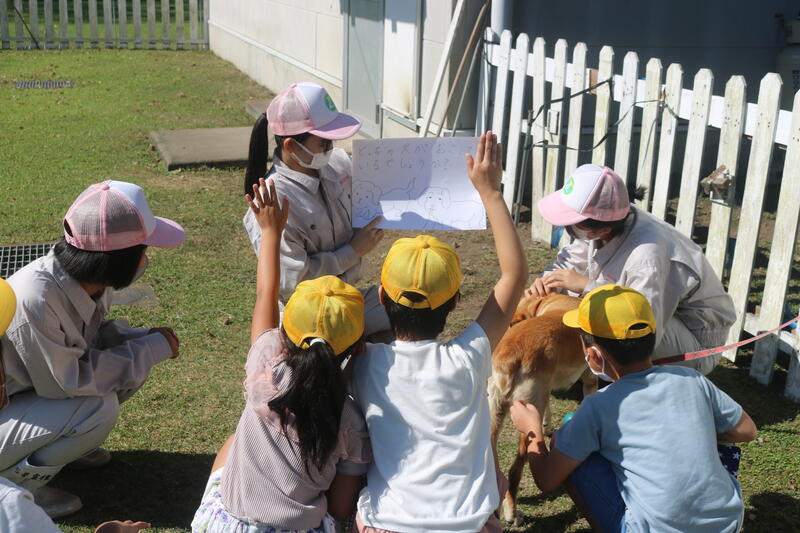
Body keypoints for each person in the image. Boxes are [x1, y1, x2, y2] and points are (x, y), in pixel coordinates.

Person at [352, 132, 528, 532]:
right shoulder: (470, 356)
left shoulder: (364, 363)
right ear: (454, 303)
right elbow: (515, 276)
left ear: (380, 296)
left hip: (389, 524)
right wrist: (491, 193)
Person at [191, 178, 371, 533]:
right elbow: (339, 507)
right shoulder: (350, 419)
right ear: (357, 347)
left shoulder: (267, 367)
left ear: (284, 335)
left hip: (226, 526)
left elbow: (266, 295)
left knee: (233, 442)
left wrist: (271, 231)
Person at [0, 180, 185, 517]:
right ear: (117, 259)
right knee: (96, 407)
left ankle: (63, 448)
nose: (146, 258)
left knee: (131, 362)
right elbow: (66, 384)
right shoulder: (35, 298)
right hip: (17, 401)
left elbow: (89, 339)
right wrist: (147, 349)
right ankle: (15, 492)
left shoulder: (92, 281)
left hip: (22, 396)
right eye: (143, 250)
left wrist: (140, 339)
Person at [509, 284, 757, 533]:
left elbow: (546, 479)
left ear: (593, 354)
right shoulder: (691, 379)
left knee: (567, 433)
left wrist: (533, 430)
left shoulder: (598, 406)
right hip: (728, 523)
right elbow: (747, 431)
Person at [527, 163, 736, 375]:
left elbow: (642, 328)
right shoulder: (608, 219)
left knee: (615, 325)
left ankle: (622, 381)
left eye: (572, 226)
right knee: (576, 299)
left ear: (603, 228)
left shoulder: (647, 258)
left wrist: (588, 286)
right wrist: (547, 281)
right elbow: (573, 258)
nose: (568, 230)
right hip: (662, 311)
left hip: (695, 340)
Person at [242, 81, 390, 339]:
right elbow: (292, 283)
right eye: (323, 142)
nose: (331, 149)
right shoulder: (273, 205)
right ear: (291, 146)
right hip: (305, 317)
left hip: (344, 298)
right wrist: (353, 251)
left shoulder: (337, 165)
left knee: (411, 310)